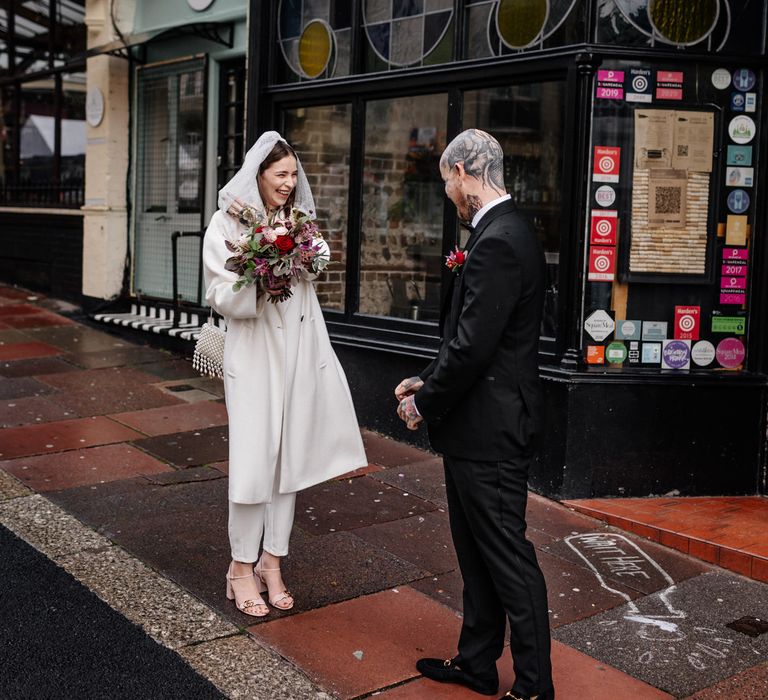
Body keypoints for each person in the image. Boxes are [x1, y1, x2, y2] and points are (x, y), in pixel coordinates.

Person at [395, 129, 553, 700]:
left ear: (463, 170)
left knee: (508, 557)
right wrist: (428, 378)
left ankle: (535, 686)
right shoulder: (500, 232)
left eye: (446, 183)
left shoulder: (498, 241)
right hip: (478, 425)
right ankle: (477, 663)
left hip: (492, 428)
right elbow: (471, 336)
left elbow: (474, 347)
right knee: (477, 553)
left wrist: (423, 401)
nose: (447, 194)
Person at [203, 131, 367, 618]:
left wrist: (302, 254)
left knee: (289, 460)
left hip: (296, 349)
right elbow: (218, 290)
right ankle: (239, 567)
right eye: (281, 175)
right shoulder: (225, 223)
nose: (290, 184)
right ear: (260, 174)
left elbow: (317, 267)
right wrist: (262, 275)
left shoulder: (296, 221)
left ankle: (272, 562)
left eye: (294, 175)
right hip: (253, 355)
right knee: (255, 459)